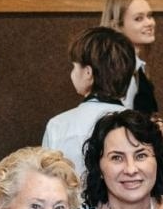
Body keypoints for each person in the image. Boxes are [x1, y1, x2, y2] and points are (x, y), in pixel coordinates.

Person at [41, 27, 136, 181]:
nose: (72, 73)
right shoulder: (138, 125)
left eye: (74, 66)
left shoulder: (59, 125)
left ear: (88, 73)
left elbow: (47, 181)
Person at [101, 0, 160, 119]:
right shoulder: (119, 72)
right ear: (116, 26)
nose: (149, 23)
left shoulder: (136, 67)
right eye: (139, 18)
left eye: (149, 16)